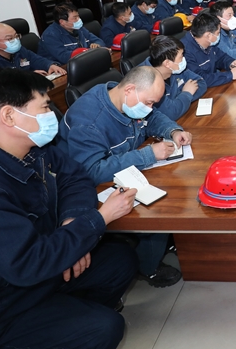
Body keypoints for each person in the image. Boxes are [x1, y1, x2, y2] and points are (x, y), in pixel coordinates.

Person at [0, 68, 138, 349]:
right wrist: (97, 219)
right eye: (45, 107)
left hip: (32, 276)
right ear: (9, 116)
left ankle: (68, 315)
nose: (51, 114)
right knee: (104, 329)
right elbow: (28, 263)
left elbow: (74, 175)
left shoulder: (27, 146)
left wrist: (73, 223)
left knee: (119, 260)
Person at [58, 66, 190, 287]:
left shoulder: (127, 100)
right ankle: (149, 267)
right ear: (129, 89)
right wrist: (147, 155)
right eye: (149, 102)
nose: (150, 108)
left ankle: (169, 241)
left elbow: (153, 118)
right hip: (87, 188)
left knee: (174, 186)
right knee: (157, 208)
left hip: (126, 167)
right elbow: (92, 171)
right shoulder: (88, 120)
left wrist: (172, 131)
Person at [141, 36, 207, 121]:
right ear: (167, 63)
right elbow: (172, 113)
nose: (184, 59)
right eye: (181, 56)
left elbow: (201, 83)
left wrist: (177, 102)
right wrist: (187, 93)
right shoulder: (146, 81)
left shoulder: (175, 69)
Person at [0, 22, 66, 76]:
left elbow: (35, 59)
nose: (15, 40)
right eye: (9, 39)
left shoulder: (18, 50)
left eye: (16, 36)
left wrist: (50, 65)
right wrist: (28, 77)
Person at [182, 12, 236, 86]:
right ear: (208, 35)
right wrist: (230, 75)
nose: (219, 35)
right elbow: (200, 79)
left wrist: (230, 62)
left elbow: (220, 57)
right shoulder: (185, 51)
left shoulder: (208, 42)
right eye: (218, 33)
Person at [39, 4, 106, 63]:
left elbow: (99, 41)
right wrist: (89, 52)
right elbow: (64, 57)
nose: (79, 19)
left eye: (78, 16)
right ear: (62, 22)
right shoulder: (50, 35)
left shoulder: (79, 28)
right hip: (61, 68)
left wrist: (97, 45)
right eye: (75, 18)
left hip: (83, 61)